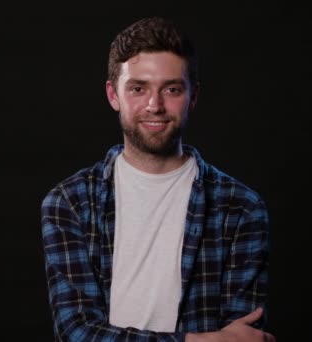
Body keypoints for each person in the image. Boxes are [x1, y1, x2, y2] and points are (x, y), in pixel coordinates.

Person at [40, 17, 274, 341]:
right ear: (113, 95)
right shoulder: (70, 203)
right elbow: (76, 333)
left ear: (193, 97)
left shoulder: (242, 208)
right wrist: (196, 341)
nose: (155, 105)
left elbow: (242, 338)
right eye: (138, 88)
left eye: (172, 89)